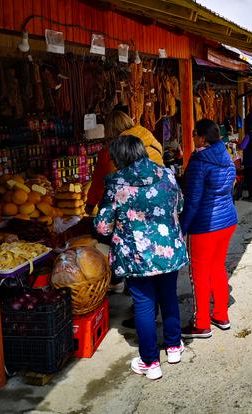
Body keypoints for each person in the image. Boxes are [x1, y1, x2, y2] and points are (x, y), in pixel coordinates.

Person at [94, 135, 187, 380]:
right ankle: (174, 347)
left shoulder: (116, 184)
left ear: (120, 158)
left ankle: (150, 362)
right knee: (168, 297)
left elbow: (103, 227)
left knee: (144, 305)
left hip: (136, 256)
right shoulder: (166, 174)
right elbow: (179, 206)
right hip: (168, 250)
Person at [180, 119, 238, 339]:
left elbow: (192, 201)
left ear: (202, 137)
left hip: (205, 225)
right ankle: (221, 315)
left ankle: (202, 323)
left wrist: (182, 228)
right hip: (227, 220)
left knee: (200, 273)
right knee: (217, 268)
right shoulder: (225, 156)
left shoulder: (199, 162)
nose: (193, 137)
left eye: (195, 134)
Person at [87, 109, 164, 210]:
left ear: (109, 130)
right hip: (158, 201)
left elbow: (99, 182)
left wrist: (90, 204)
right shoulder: (151, 140)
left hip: (129, 208)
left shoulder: (109, 152)